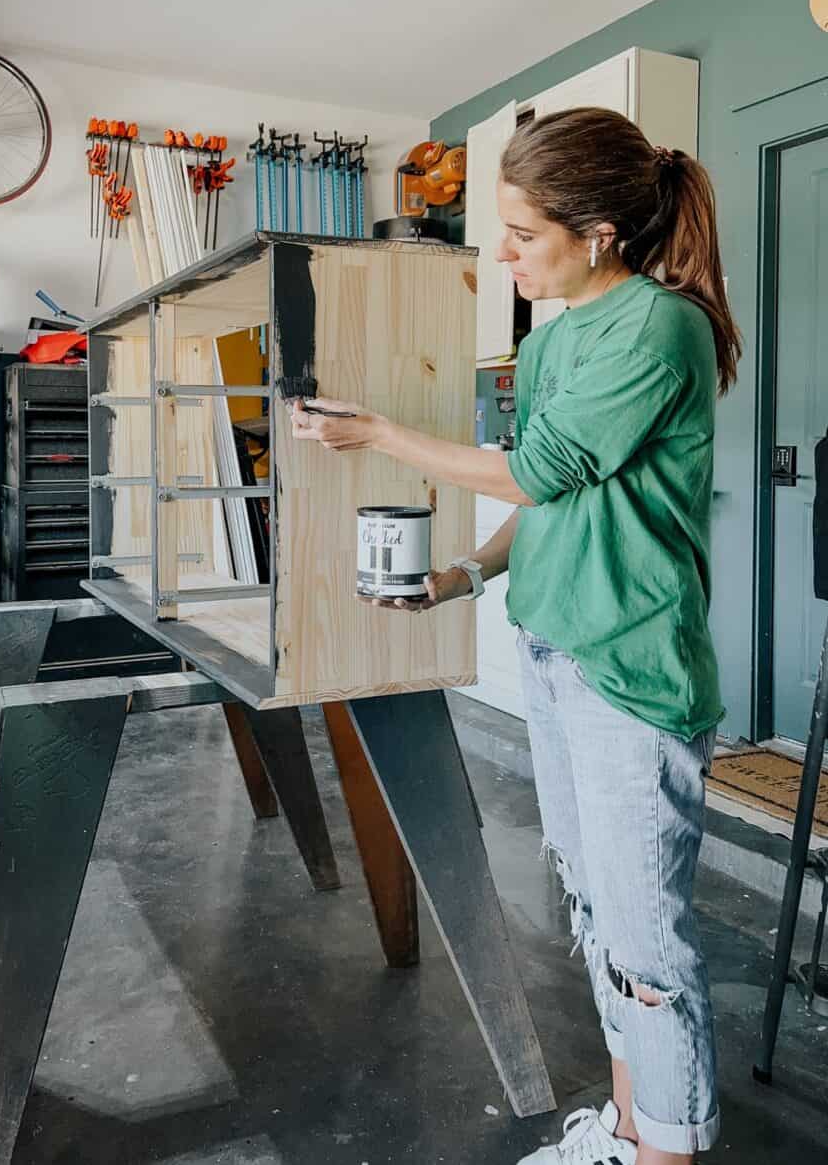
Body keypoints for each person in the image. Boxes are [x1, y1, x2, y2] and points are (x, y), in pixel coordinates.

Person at [290, 106, 742, 1165]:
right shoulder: (552, 335)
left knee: (646, 938)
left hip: (627, 665)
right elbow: (546, 503)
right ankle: (632, 1128)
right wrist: (462, 575)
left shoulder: (656, 326)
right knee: (593, 905)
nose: (501, 252)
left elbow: (536, 471)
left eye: (522, 234)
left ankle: (665, 1149)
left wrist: (382, 434)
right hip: (552, 647)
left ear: (596, 233)